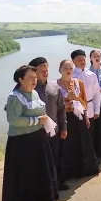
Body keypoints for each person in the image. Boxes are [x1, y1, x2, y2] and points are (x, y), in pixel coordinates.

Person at [2, 65, 58, 201]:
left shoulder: (33, 93)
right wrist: (36, 121)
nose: (34, 81)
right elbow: (13, 120)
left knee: (40, 171)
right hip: (22, 142)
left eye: (35, 78)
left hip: (38, 139)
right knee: (27, 174)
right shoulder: (14, 97)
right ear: (20, 79)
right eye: (30, 78)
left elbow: (41, 112)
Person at [28, 57, 69, 191]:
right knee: (41, 161)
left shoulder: (54, 86)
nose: (45, 72)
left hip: (54, 131)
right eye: (42, 70)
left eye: (47, 69)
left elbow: (61, 108)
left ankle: (56, 183)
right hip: (37, 132)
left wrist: (63, 127)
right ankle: (43, 188)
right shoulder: (28, 89)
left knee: (55, 157)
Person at [57, 60, 100, 180]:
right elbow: (56, 106)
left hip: (79, 117)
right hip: (65, 118)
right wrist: (68, 104)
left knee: (82, 142)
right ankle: (68, 172)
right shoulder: (55, 85)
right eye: (65, 68)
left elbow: (84, 102)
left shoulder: (78, 82)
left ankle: (84, 169)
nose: (68, 70)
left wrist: (86, 116)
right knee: (67, 145)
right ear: (60, 69)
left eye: (70, 68)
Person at [71, 49, 101, 156]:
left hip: (90, 108)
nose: (82, 61)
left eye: (83, 59)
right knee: (79, 135)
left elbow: (97, 93)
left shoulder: (91, 75)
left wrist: (97, 109)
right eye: (79, 60)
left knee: (91, 135)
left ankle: (92, 158)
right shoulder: (71, 76)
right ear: (73, 61)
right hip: (76, 110)